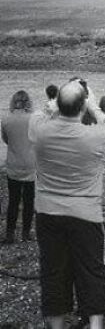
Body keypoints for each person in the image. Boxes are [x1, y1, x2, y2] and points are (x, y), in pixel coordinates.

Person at [29, 79, 105, 329]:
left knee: (53, 271)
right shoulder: (94, 136)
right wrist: (93, 105)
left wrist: (55, 102)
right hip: (85, 213)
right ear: (82, 107)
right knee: (92, 270)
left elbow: (40, 113)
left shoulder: (39, 131)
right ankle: (95, 324)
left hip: (47, 211)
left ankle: (56, 325)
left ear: (58, 104)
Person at [1, 90, 36, 244]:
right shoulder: (34, 119)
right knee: (29, 201)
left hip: (13, 163)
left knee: (13, 200)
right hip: (30, 164)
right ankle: (26, 232)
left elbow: (6, 140)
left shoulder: (6, 119)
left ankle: (10, 233)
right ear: (28, 102)